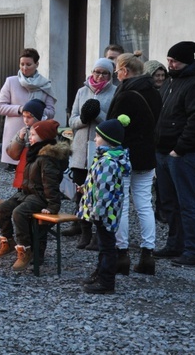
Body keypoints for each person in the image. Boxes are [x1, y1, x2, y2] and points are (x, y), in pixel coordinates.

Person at [154, 41, 195, 267]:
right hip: (163, 151)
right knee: (169, 203)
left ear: (186, 62)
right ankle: (174, 244)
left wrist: (180, 148)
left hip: (181, 154)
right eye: (169, 60)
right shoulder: (170, 81)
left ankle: (192, 251)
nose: (170, 64)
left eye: (174, 61)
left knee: (187, 203)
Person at [108, 52, 162, 275]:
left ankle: (122, 254)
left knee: (121, 204)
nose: (117, 76)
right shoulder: (155, 93)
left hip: (125, 155)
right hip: (147, 154)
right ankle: (148, 253)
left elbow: (113, 127)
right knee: (144, 204)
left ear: (125, 71)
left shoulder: (126, 95)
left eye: (117, 71)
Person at [0, 119, 69, 272]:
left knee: (19, 213)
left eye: (33, 134)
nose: (30, 137)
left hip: (40, 197)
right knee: (3, 207)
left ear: (44, 137)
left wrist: (53, 205)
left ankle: (25, 250)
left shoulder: (47, 157)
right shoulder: (35, 152)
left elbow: (51, 183)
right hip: (26, 193)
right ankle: (7, 241)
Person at [78, 116, 132, 294]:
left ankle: (106, 282)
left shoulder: (108, 162)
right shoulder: (105, 158)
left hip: (104, 213)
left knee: (107, 247)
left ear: (108, 140)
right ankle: (101, 274)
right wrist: (86, 188)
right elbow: (99, 185)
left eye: (98, 136)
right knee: (104, 245)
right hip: (104, 211)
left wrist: (97, 212)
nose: (95, 139)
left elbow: (104, 192)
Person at [68, 58, 117, 250]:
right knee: (81, 193)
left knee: (98, 194)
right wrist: (83, 118)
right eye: (97, 71)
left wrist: (97, 115)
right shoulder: (82, 91)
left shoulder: (114, 92)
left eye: (104, 73)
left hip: (100, 150)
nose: (100, 76)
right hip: (80, 150)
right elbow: (71, 120)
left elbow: (112, 123)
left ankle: (99, 234)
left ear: (110, 75)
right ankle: (84, 231)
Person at [0, 48, 56, 170]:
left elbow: (51, 111)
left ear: (36, 64)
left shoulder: (45, 84)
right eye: (22, 64)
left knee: (33, 173)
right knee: (15, 179)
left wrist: (36, 112)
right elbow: (0, 107)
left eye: (28, 64)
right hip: (14, 138)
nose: (24, 68)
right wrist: (21, 109)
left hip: (36, 138)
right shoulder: (11, 81)